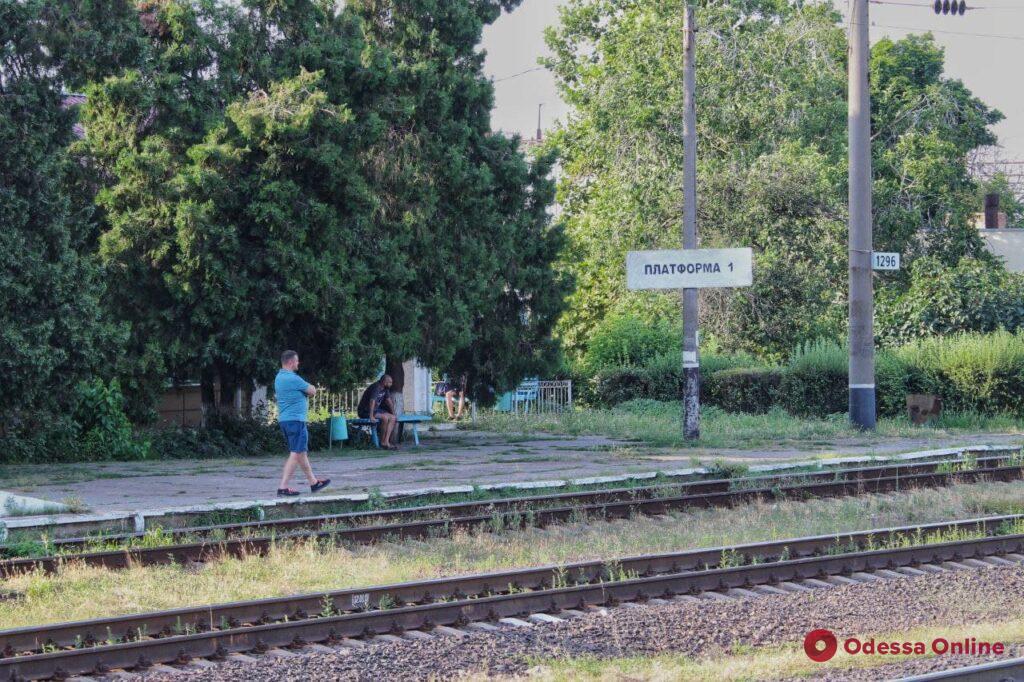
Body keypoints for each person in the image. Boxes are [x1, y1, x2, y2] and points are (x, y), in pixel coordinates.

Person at [275, 350, 330, 496]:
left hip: (286, 420)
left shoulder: (279, 377)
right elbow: (312, 390)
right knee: (296, 453)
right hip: (295, 420)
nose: (298, 363)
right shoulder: (293, 378)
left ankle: (314, 483)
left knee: (301, 453)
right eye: (297, 361)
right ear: (291, 362)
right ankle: (283, 487)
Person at [357, 374, 398, 449]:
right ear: (385, 382)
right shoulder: (376, 387)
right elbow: (372, 401)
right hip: (365, 410)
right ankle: (382, 442)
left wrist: (394, 413)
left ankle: (386, 442)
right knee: (384, 418)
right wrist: (371, 415)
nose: (391, 384)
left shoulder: (385, 389)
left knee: (393, 418)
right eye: (390, 382)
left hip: (376, 410)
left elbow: (389, 401)